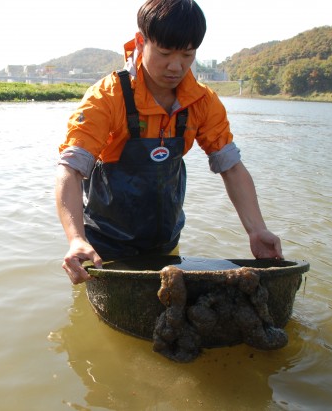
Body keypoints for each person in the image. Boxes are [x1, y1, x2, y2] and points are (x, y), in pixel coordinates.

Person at [55, 0, 283, 285]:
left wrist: (256, 230)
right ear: (141, 41)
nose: (176, 66)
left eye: (187, 55)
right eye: (164, 53)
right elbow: (70, 170)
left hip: (165, 245)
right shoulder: (108, 97)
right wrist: (76, 239)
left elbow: (232, 167)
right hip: (104, 250)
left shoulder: (202, 101)